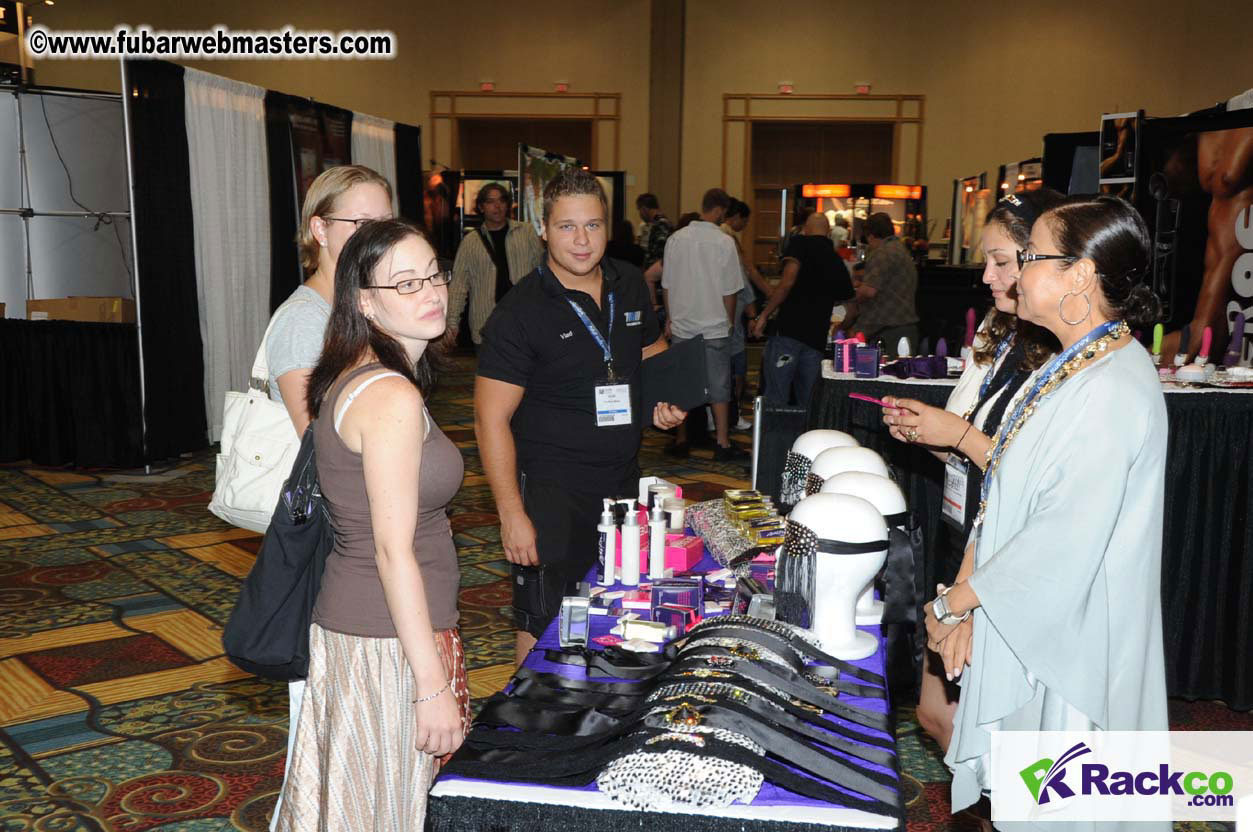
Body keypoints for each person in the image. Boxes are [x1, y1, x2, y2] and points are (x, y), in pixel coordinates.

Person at [917, 195, 1168, 826]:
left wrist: (957, 603)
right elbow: (1003, 486)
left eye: (1028, 258)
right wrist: (966, 593)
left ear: (1079, 274)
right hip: (1030, 614)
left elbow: (1061, 537)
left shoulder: (1114, 385)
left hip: (1075, 636)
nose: (1013, 275)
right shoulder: (1064, 365)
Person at [276, 219, 468, 831]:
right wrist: (432, 684)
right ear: (365, 301)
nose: (430, 292)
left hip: (378, 631)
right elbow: (392, 550)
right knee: (389, 812)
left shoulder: (370, 374)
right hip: (387, 641)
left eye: (433, 273)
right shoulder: (389, 395)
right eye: (406, 283)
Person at [877, 188, 1063, 754]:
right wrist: (927, 434)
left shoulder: (1067, 350)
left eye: (1001, 262)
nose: (986, 276)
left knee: (984, 729)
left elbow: (1040, 480)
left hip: (1012, 553)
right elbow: (965, 443)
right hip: (967, 532)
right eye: (987, 260)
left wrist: (955, 435)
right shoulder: (996, 330)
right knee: (939, 716)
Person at [474, 169, 685, 665]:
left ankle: (591, 721)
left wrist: (664, 400)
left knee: (612, 606)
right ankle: (523, 727)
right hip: (550, 490)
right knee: (544, 617)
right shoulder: (520, 311)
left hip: (620, 481)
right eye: (567, 227)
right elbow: (489, 420)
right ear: (543, 229)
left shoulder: (628, 283)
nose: (582, 240)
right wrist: (511, 514)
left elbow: (651, 351)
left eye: (592, 225)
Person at [262, 163, 392, 831]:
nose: (376, 238)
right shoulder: (304, 322)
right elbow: (324, 450)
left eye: (384, 223)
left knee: (355, 718)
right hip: (326, 545)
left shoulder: (355, 311)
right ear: (318, 228)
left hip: (361, 541)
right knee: (318, 720)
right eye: (359, 224)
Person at [660, 188, 747, 460]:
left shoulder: (675, 239)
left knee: (682, 385)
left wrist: (671, 318)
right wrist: (730, 322)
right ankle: (721, 443)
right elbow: (730, 290)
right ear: (720, 210)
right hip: (715, 325)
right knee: (719, 387)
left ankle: (682, 439)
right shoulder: (724, 243)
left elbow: (667, 285)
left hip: (683, 324)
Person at [750, 211, 854, 408]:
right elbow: (852, 308)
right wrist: (840, 328)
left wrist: (763, 315)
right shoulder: (836, 260)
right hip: (815, 339)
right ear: (829, 232)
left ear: (806, 228)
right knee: (808, 402)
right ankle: (805, 438)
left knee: (776, 397)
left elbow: (787, 282)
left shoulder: (800, 244)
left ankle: (774, 438)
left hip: (788, 332)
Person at [445, 182, 544, 347]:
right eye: (490, 202)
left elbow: (543, 273)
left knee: (526, 371)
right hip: (486, 323)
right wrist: (452, 323)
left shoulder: (526, 233)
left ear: (507, 204)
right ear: (482, 207)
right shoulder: (470, 242)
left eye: (501, 201)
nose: (497, 206)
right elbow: (459, 285)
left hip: (524, 321)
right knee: (489, 372)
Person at [851, 211, 920, 356]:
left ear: (870, 235)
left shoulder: (882, 253)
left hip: (887, 330)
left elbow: (869, 291)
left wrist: (854, 295)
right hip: (905, 325)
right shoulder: (901, 250)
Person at [720, 199, 760, 429]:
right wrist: (753, 313)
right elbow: (743, 279)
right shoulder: (727, 240)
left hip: (717, 312)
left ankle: (722, 417)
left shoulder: (718, 237)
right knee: (735, 368)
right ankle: (732, 416)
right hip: (729, 314)